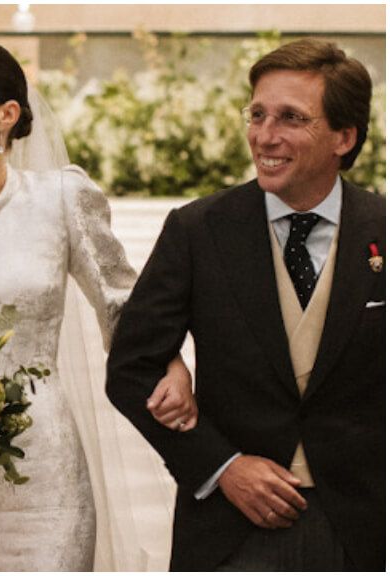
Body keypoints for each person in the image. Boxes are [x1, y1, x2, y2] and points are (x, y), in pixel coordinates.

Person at [0, 37, 196, 570]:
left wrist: (169, 362)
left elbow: (122, 304)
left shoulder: (60, 199)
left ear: (7, 114)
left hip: (41, 483)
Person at [106, 39, 384, 571]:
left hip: (366, 531)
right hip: (230, 532)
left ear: (344, 137)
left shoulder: (382, 230)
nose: (264, 136)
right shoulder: (198, 230)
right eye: (257, 115)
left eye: (291, 118)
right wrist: (223, 467)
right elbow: (130, 368)